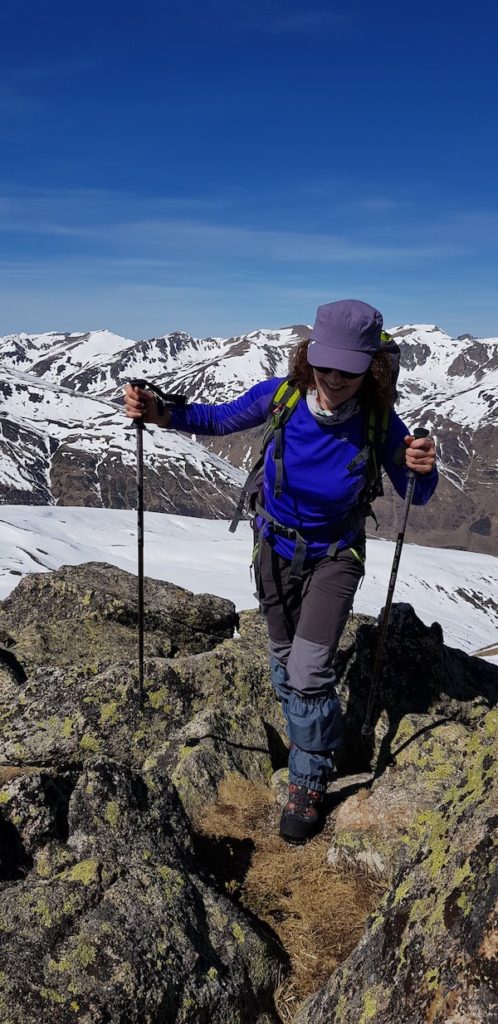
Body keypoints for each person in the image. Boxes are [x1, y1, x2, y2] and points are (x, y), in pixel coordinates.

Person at [124, 299, 438, 844]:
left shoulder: (380, 421)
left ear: (373, 367)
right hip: (272, 546)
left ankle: (309, 778)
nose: (334, 378)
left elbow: (418, 491)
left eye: (349, 368)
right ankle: (313, 730)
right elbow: (219, 418)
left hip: (336, 554)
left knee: (310, 670)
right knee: (284, 658)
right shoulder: (283, 396)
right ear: (308, 358)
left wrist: (422, 469)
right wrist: (160, 412)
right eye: (325, 364)